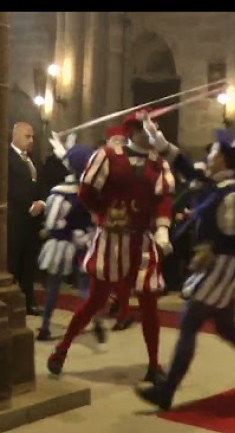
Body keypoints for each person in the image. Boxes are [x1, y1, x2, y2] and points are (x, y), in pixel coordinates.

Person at [135, 136, 235, 411]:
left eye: (215, 152)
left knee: (189, 324)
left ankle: (167, 392)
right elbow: (184, 165)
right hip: (227, 267)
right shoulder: (226, 186)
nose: (210, 155)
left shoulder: (231, 193)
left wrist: (208, 246)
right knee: (227, 328)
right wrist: (157, 138)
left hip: (221, 266)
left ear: (224, 159)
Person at [47, 118, 175, 384]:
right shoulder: (107, 156)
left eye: (152, 130)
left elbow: (163, 199)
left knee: (149, 302)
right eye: (143, 130)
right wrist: (104, 211)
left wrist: (162, 230)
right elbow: (86, 191)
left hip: (141, 240)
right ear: (132, 132)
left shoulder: (158, 163)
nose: (149, 134)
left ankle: (154, 364)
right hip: (111, 240)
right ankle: (62, 348)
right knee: (95, 300)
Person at [37, 144, 99, 342]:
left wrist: (54, 230)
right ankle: (95, 319)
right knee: (83, 285)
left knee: (54, 286)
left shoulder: (60, 192)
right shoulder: (85, 193)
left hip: (61, 244)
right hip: (82, 243)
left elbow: (53, 221)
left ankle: (45, 326)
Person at [8, 122, 45, 315]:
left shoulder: (33, 160)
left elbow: (40, 185)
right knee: (14, 262)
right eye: (27, 136)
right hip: (15, 220)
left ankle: (28, 302)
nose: (31, 140)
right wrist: (28, 206)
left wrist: (42, 203)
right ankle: (12, 303)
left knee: (29, 264)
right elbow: (9, 188)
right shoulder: (8, 158)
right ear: (15, 136)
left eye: (32, 137)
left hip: (32, 222)